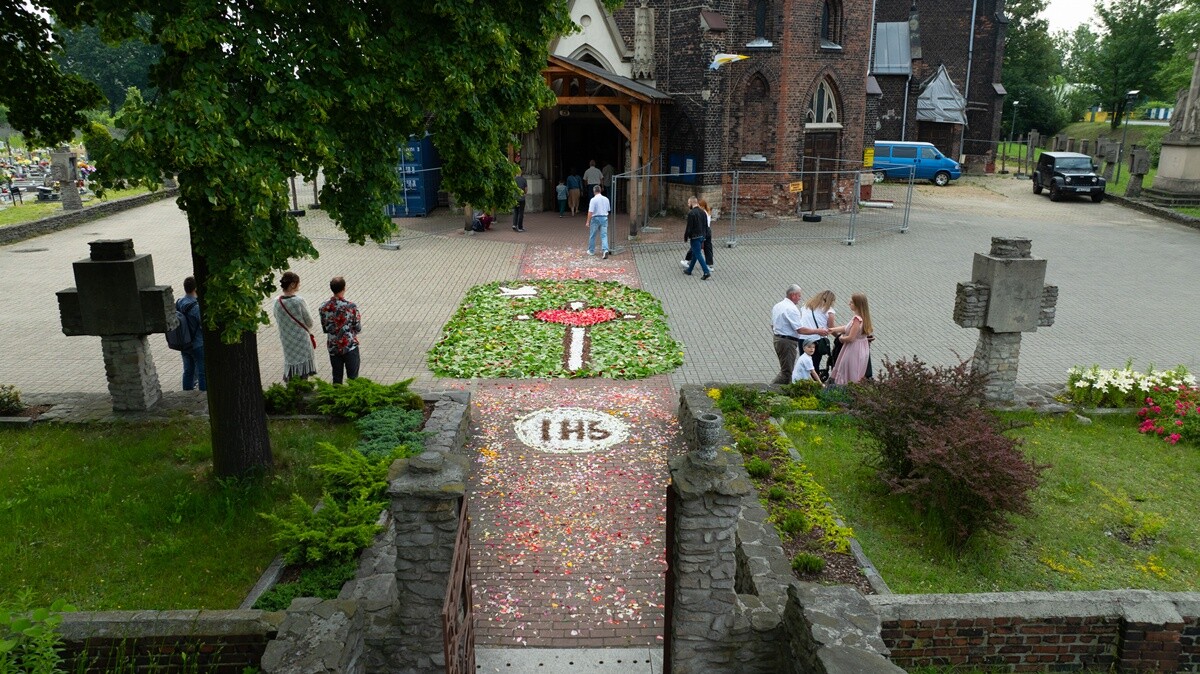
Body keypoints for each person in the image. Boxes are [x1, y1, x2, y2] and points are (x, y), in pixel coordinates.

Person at [771, 284, 829, 384]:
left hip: (778, 338)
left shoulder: (778, 306)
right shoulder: (791, 309)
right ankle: (769, 389)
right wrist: (817, 331)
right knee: (786, 372)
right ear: (793, 295)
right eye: (799, 295)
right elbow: (800, 330)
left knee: (786, 369)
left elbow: (772, 325)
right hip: (787, 342)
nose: (800, 298)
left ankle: (784, 389)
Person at [273, 271, 317, 381]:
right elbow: (309, 322)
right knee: (302, 372)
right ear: (292, 284)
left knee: (291, 368)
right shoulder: (298, 301)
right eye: (298, 282)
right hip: (301, 341)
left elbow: (276, 317)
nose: (299, 285)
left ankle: (291, 386)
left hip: (287, 341)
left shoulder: (276, 302)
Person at [319, 276, 363, 385]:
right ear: (344, 288)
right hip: (349, 346)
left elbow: (325, 328)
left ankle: (336, 394)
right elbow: (357, 327)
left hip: (333, 346)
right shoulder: (351, 306)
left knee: (337, 378)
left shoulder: (324, 307)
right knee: (353, 379)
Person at [829, 293, 874, 385]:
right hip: (862, 348)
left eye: (851, 302)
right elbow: (847, 328)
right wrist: (833, 329)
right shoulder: (864, 318)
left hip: (853, 349)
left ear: (857, 305)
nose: (849, 304)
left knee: (849, 370)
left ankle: (847, 388)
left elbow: (851, 338)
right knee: (858, 371)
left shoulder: (857, 319)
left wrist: (841, 338)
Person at [799, 290, 840, 380]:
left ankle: (802, 381)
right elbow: (831, 328)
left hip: (802, 338)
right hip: (816, 340)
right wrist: (839, 337)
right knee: (814, 364)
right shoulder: (829, 311)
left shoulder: (806, 306)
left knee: (804, 363)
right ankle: (814, 383)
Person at [178, 276, 206, 391]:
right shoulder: (196, 307)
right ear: (195, 289)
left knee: (188, 370)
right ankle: (203, 395)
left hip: (184, 342)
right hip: (197, 343)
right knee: (202, 372)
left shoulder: (179, 302)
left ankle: (187, 394)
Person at [682, 198, 715, 271]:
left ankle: (706, 269)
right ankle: (690, 268)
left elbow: (693, 225)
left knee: (697, 250)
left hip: (701, 232)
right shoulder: (705, 212)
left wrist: (687, 236)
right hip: (705, 231)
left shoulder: (700, 213)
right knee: (704, 248)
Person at [585, 184, 611, 258]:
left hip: (595, 218)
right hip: (604, 217)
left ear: (594, 191)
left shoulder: (593, 200)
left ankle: (591, 251)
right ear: (600, 190)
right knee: (604, 235)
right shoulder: (606, 199)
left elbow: (590, 211)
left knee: (593, 235)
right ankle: (605, 250)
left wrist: (588, 221)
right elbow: (608, 210)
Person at [512, 168, 528, 232]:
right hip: (521, 198)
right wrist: (524, 193)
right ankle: (520, 227)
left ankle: (514, 225)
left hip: (515, 198)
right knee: (521, 212)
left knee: (515, 211)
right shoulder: (524, 179)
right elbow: (526, 189)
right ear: (521, 172)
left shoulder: (513, 179)